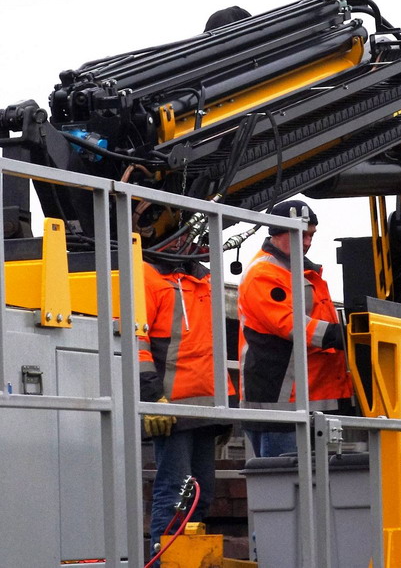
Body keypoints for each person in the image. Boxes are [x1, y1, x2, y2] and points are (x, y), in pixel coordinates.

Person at [238, 200, 353, 457]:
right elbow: (289, 324)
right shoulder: (264, 273)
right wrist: (343, 335)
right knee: (285, 487)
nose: (308, 242)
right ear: (278, 232)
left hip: (306, 402)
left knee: (306, 488)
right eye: (301, 233)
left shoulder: (302, 272)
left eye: (311, 234)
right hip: (280, 406)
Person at [138, 259, 233, 563]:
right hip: (171, 405)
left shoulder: (203, 279)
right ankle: (166, 561)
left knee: (199, 497)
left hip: (204, 405)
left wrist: (224, 406)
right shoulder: (145, 275)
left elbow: (211, 345)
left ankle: (184, 560)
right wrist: (152, 397)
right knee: (176, 495)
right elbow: (135, 341)